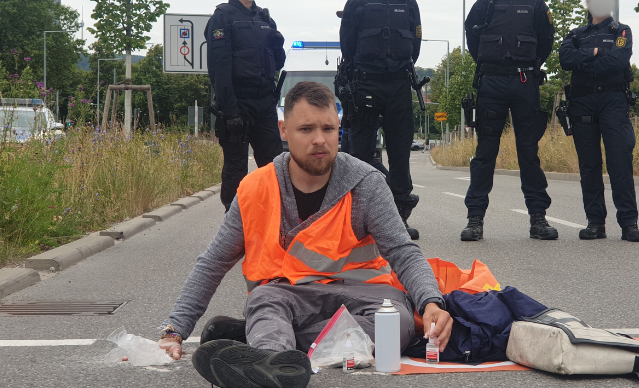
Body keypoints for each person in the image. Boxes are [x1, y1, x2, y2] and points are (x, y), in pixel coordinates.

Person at [157, 82, 453, 388]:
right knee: (264, 301)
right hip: (287, 296)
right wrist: (174, 329)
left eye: (328, 128)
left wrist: (431, 302)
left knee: (397, 323)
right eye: (306, 129)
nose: (320, 139)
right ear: (284, 131)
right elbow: (214, 262)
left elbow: (403, 252)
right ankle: (273, 355)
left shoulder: (367, 183)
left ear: (339, 128)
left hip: (366, 296)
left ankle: (269, 349)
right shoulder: (255, 188)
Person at [460, 0, 558, 242]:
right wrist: (491, 65)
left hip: (525, 82)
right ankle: (475, 219)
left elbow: (546, 41)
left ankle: (538, 219)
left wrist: (526, 67)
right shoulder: (487, 1)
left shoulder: (536, 3)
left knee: (529, 152)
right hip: (491, 83)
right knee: (485, 152)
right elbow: (472, 34)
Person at [339, 0, 423, 239]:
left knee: (400, 152)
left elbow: (415, 46)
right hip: (366, 85)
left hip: (399, 85)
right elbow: (347, 47)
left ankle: (398, 218)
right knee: (361, 154)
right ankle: (358, 220)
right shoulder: (358, 2)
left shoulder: (409, 2)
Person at [557, 0, 639, 243]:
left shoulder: (622, 31)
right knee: (589, 165)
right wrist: (596, 52)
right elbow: (564, 58)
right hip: (582, 101)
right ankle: (595, 223)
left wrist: (586, 59)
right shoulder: (575, 33)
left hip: (613, 100)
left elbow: (618, 60)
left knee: (619, 161)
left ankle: (629, 223)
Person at [206, 0, 286, 212]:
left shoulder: (265, 18)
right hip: (236, 104)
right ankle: (235, 225)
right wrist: (230, 112)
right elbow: (219, 70)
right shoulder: (223, 18)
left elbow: (277, 63)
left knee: (273, 167)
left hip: (264, 103)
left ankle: (273, 221)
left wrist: (278, 46)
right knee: (236, 168)